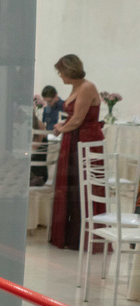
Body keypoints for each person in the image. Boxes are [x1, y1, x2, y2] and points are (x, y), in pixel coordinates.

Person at [49, 53, 105, 250]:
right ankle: (69, 234)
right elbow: (72, 118)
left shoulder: (87, 87)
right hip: (73, 139)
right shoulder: (76, 87)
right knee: (71, 186)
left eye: (61, 72)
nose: (60, 76)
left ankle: (85, 236)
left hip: (86, 141)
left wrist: (61, 128)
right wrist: (62, 125)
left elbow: (78, 118)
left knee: (83, 187)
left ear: (69, 70)